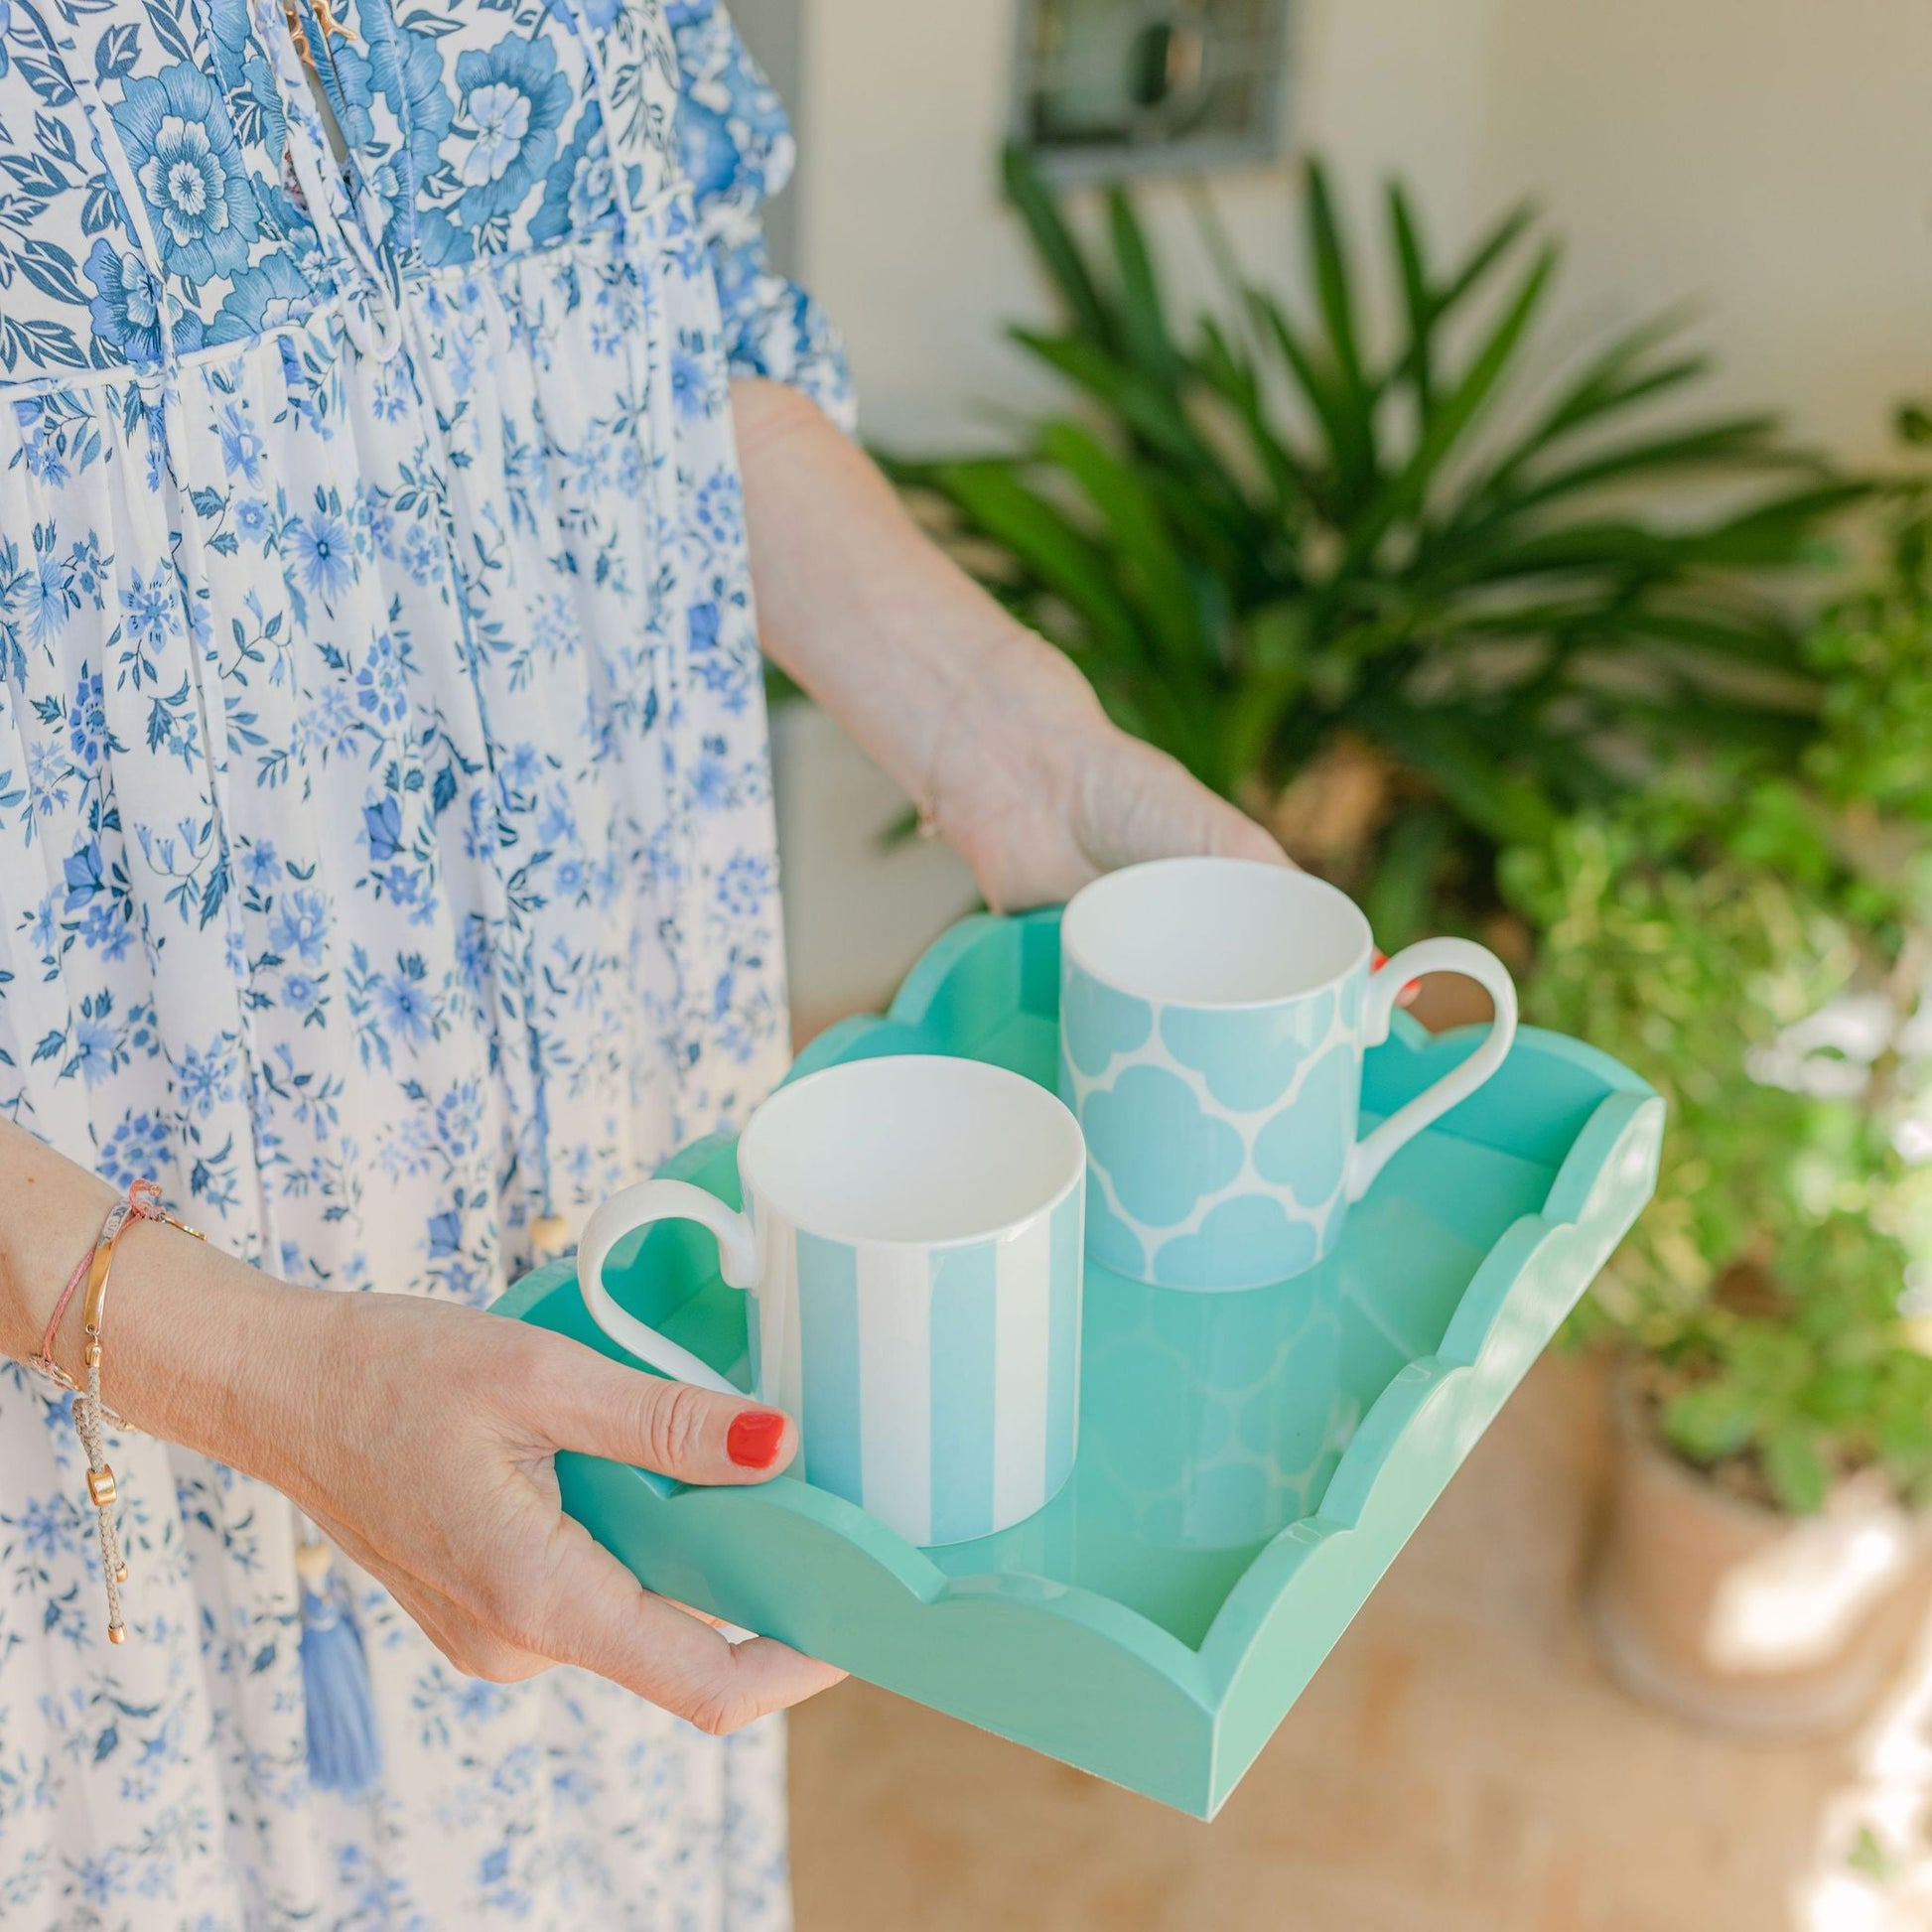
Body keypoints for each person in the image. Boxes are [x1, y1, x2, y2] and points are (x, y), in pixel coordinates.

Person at [0, 0, 1282, 1923]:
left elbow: (660, 356)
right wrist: (267, 1378)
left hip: (619, 1193)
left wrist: (1010, 736)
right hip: (108, 1366)